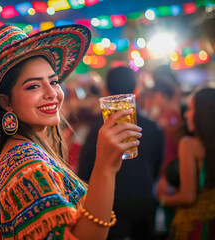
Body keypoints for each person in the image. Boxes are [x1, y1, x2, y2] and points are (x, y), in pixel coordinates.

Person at [0, 24, 142, 239]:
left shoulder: (22, 154)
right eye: (33, 86)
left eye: (54, 81)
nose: (52, 93)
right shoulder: (25, 166)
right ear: (6, 102)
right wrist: (104, 167)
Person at [78, 66, 165, 239]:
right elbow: (156, 169)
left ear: (105, 91)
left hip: (109, 210)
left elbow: (84, 171)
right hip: (143, 204)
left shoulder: (99, 130)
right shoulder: (153, 128)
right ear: (136, 91)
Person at [158, 87, 215, 239]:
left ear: (203, 114)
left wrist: (162, 200)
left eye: (190, 109)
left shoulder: (189, 145)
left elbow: (188, 197)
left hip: (197, 226)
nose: (186, 114)